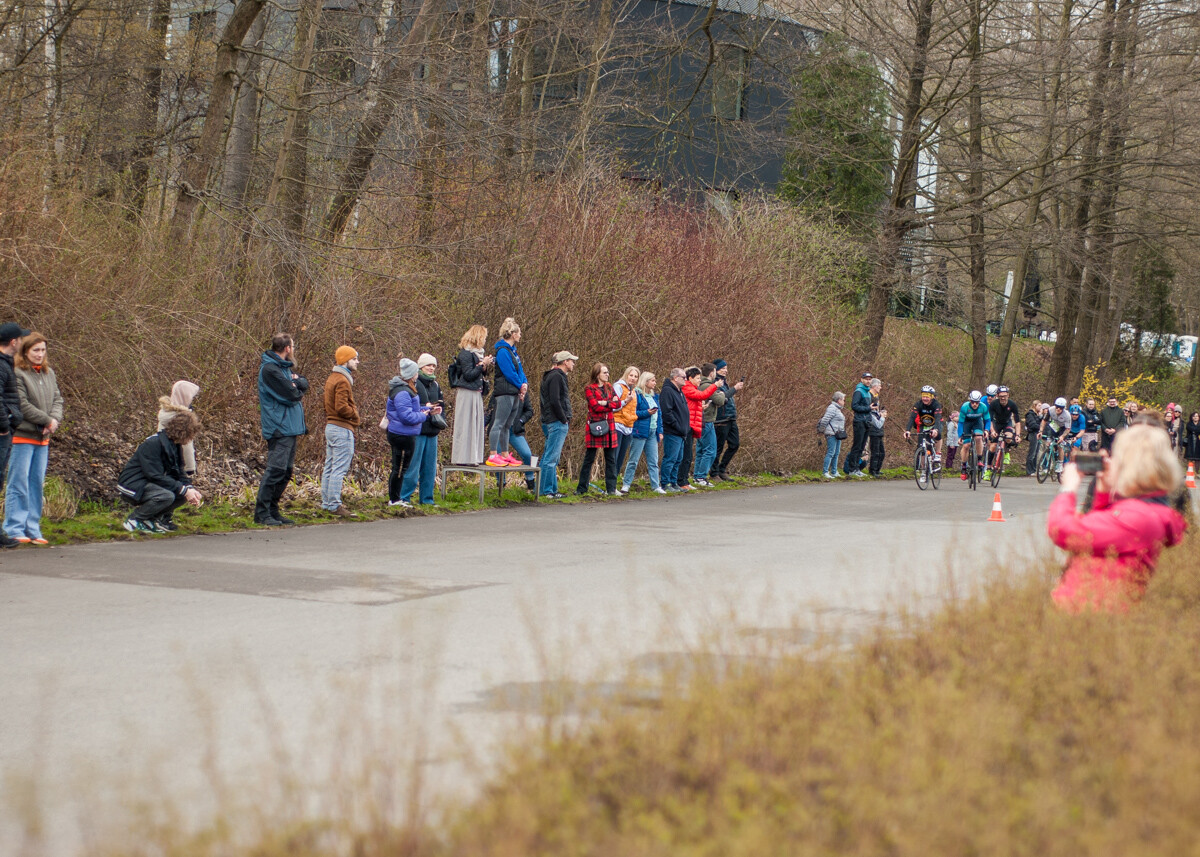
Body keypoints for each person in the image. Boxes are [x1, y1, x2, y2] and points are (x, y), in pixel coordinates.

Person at [1048, 424, 1187, 613]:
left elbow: (1064, 531)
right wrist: (1104, 492)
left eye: (1117, 458)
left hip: (1094, 620)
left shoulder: (1138, 517)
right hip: (1091, 617)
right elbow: (1099, 533)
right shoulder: (1144, 511)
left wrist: (1068, 489)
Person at [3, 333, 63, 545]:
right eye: (35, 350)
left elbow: (57, 399)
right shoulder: (17, 373)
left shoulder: (49, 373)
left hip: (43, 439)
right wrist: (46, 420)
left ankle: (33, 528)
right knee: (18, 483)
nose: (40, 354)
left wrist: (54, 419)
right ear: (25, 351)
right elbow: (22, 404)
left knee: (36, 483)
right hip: (23, 436)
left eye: (43, 350)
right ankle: (13, 528)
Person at [117, 410, 204, 533]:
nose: (191, 439)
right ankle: (134, 520)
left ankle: (150, 520)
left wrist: (190, 489)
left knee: (182, 495)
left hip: (148, 483)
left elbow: (179, 472)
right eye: (191, 435)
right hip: (131, 485)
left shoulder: (175, 445)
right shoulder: (153, 443)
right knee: (166, 496)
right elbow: (153, 475)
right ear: (184, 432)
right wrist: (184, 490)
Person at [255, 333, 309, 527]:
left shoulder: (284, 368)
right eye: (292, 347)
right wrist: (296, 385)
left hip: (290, 427)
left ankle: (273, 510)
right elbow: (292, 394)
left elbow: (301, 383)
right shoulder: (270, 370)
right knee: (275, 470)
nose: (293, 350)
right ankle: (261, 513)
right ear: (287, 348)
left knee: (286, 472)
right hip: (279, 426)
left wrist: (297, 382)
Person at [398, 353, 445, 506]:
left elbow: (442, 405)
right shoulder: (414, 384)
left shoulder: (436, 384)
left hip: (432, 431)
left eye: (433, 366)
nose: (431, 368)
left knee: (429, 469)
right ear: (420, 367)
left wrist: (439, 413)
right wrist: (426, 408)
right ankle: (404, 498)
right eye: (428, 365)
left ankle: (427, 499)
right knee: (413, 466)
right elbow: (411, 407)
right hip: (417, 431)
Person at [321, 345, 361, 517]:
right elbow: (341, 407)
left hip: (331, 426)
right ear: (345, 361)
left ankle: (327, 503)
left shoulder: (332, 378)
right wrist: (355, 414)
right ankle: (335, 505)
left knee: (329, 467)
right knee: (339, 468)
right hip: (341, 427)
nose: (357, 362)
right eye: (354, 359)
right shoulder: (343, 380)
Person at [384, 358, 429, 507]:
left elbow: (410, 410)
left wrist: (426, 410)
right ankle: (395, 499)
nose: (418, 374)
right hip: (401, 434)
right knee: (399, 468)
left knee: (402, 467)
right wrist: (424, 416)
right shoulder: (402, 392)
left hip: (406, 434)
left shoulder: (406, 389)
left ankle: (396, 499)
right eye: (416, 371)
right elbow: (406, 416)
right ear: (411, 374)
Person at [450, 324, 493, 466]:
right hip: (467, 392)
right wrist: (482, 365)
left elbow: (479, 374)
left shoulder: (477, 353)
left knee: (475, 425)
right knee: (465, 424)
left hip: (476, 392)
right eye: (484, 337)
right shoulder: (466, 354)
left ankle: (473, 457)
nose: (485, 340)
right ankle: (462, 457)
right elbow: (468, 375)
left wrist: (485, 366)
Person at [487, 318, 528, 468]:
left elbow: (520, 371)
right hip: (504, 392)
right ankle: (493, 454)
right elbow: (509, 372)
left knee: (507, 425)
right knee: (498, 423)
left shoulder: (513, 352)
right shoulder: (503, 351)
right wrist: (519, 385)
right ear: (512, 334)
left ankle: (505, 454)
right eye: (519, 332)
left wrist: (524, 385)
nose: (520, 335)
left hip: (514, 392)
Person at [577, 363, 620, 495]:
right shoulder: (589, 388)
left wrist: (605, 402)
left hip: (609, 424)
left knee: (611, 459)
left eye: (607, 372)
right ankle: (582, 489)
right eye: (604, 372)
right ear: (597, 374)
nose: (607, 375)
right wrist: (609, 403)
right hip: (595, 424)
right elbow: (595, 407)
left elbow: (617, 403)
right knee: (589, 458)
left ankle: (611, 489)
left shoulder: (609, 387)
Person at [538, 350, 576, 498]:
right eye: (571, 361)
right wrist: (563, 418)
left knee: (552, 456)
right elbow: (555, 400)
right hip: (556, 421)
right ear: (565, 362)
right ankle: (546, 490)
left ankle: (550, 490)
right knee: (551, 458)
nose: (573, 363)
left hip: (553, 420)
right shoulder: (555, 377)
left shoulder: (556, 376)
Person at [621, 371, 665, 494]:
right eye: (653, 381)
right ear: (646, 382)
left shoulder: (655, 396)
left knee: (653, 460)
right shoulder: (637, 395)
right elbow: (633, 413)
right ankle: (626, 484)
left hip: (652, 431)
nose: (655, 383)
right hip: (640, 431)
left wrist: (660, 431)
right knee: (633, 460)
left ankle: (655, 485)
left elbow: (659, 415)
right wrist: (647, 412)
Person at [0, 321, 30, 499]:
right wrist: (4, 427)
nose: (21, 342)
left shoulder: (6, 363)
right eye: (20, 338)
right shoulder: (1, 366)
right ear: (13, 342)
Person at [157, 381, 200, 478]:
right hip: (176, 466)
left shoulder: (165, 413)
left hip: (163, 464)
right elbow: (186, 445)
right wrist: (190, 469)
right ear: (186, 397)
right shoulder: (182, 419)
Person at [693, 363, 726, 487]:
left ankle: (697, 476)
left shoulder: (700, 385)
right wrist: (721, 393)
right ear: (712, 372)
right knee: (710, 450)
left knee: (701, 450)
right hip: (707, 421)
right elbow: (720, 400)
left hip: (701, 420)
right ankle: (701, 476)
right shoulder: (708, 385)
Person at [712, 359, 744, 480]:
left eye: (726, 368)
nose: (725, 370)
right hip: (721, 419)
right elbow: (722, 398)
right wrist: (735, 388)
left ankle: (722, 468)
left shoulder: (724, 382)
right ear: (716, 370)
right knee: (718, 447)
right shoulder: (715, 383)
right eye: (722, 368)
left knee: (735, 444)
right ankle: (714, 473)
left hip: (731, 418)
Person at [659, 368, 689, 492]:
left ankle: (673, 481)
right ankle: (665, 483)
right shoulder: (667, 391)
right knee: (670, 458)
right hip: (672, 431)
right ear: (675, 378)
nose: (686, 380)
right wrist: (677, 425)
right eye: (683, 377)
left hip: (681, 432)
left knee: (678, 459)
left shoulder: (679, 392)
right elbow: (667, 412)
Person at [505, 394, 538, 492]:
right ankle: (500, 482)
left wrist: (521, 421)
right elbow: (491, 409)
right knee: (499, 457)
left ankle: (530, 481)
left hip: (515, 431)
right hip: (501, 431)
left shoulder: (523, 392)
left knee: (527, 454)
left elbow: (529, 410)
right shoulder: (501, 389)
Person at [986, 385, 1021, 476]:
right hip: (996, 423)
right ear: (997, 396)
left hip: (1007, 423)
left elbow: (1017, 422)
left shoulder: (1012, 404)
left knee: (1009, 437)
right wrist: (992, 431)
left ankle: (1006, 452)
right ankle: (989, 468)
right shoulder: (994, 404)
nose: (1003, 398)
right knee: (993, 446)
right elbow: (989, 420)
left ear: (1008, 395)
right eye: (1001, 396)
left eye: (1004, 396)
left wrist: (1017, 435)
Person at [843, 371, 873, 478]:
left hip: (866, 422)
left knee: (861, 447)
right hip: (859, 421)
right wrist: (868, 408)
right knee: (857, 446)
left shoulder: (868, 392)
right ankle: (852, 469)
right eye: (866, 379)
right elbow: (854, 406)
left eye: (870, 379)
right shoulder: (859, 391)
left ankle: (857, 468)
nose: (868, 381)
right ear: (862, 379)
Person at [904, 385, 943, 463]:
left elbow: (938, 418)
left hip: (936, 423)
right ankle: (923, 471)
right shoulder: (918, 404)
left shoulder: (936, 405)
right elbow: (912, 418)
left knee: (937, 434)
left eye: (927, 396)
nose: (925, 398)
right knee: (922, 447)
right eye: (923, 396)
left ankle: (938, 453)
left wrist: (935, 429)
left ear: (932, 397)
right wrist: (907, 430)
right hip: (924, 425)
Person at [612, 366, 640, 473]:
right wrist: (625, 401)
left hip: (628, 426)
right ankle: (610, 485)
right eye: (631, 375)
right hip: (618, 424)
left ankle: (614, 484)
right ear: (626, 375)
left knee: (621, 458)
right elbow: (613, 406)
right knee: (614, 456)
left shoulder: (633, 391)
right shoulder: (618, 387)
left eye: (635, 376)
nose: (633, 378)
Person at [957, 391, 991, 480]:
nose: (975, 404)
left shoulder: (983, 407)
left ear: (979, 401)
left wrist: (986, 430)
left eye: (977, 402)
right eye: (972, 402)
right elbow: (960, 423)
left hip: (977, 422)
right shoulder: (965, 407)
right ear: (970, 401)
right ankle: (964, 466)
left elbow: (987, 420)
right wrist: (960, 436)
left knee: (979, 437)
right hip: (966, 423)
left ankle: (979, 459)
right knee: (966, 445)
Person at [818, 392, 846, 480]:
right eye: (843, 400)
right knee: (831, 453)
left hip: (838, 434)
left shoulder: (838, 409)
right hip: (831, 434)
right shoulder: (832, 408)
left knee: (836, 453)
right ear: (839, 400)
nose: (844, 402)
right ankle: (825, 471)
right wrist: (821, 431)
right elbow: (825, 420)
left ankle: (834, 471)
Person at [866, 378, 887, 477]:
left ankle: (877, 469)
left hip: (879, 429)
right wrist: (882, 417)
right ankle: (873, 471)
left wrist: (881, 413)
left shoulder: (876, 396)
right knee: (875, 452)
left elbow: (876, 410)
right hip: (873, 427)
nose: (880, 387)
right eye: (879, 385)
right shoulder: (869, 395)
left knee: (882, 453)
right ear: (874, 386)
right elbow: (870, 412)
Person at [1024, 400, 1044, 475]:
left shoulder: (1037, 415)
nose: (1040, 407)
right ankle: (1029, 471)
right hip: (1033, 434)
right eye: (1039, 405)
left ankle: (1034, 469)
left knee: (1036, 453)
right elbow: (1032, 425)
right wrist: (1041, 427)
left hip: (1038, 434)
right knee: (1032, 453)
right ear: (1034, 406)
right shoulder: (1030, 414)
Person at [945, 403, 960, 470]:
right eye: (956, 417)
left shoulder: (956, 424)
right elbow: (950, 434)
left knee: (953, 455)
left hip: (955, 442)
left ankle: (950, 466)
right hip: (952, 443)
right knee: (950, 455)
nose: (957, 418)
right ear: (952, 417)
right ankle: (948, 467)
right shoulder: (951, 424)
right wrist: (951, 443)